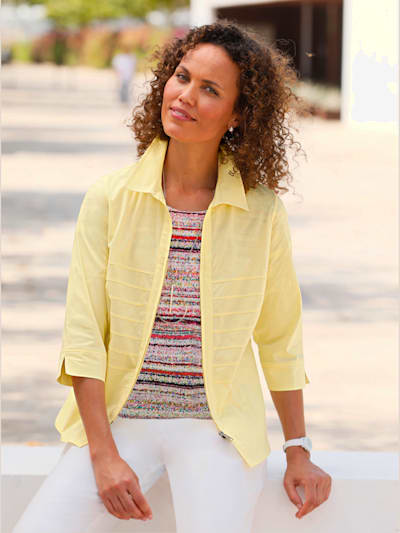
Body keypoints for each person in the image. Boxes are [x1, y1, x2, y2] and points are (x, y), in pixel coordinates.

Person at [12, 19, 332, 533]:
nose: (184, 95)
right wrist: (103, 456)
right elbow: (84, 336)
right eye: (182, 77)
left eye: (210, 89)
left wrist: (299, 449)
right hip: (119, 422)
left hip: (216, 430)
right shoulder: (110, 197)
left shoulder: (261, 212)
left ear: (238, 114)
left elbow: (280, 338)